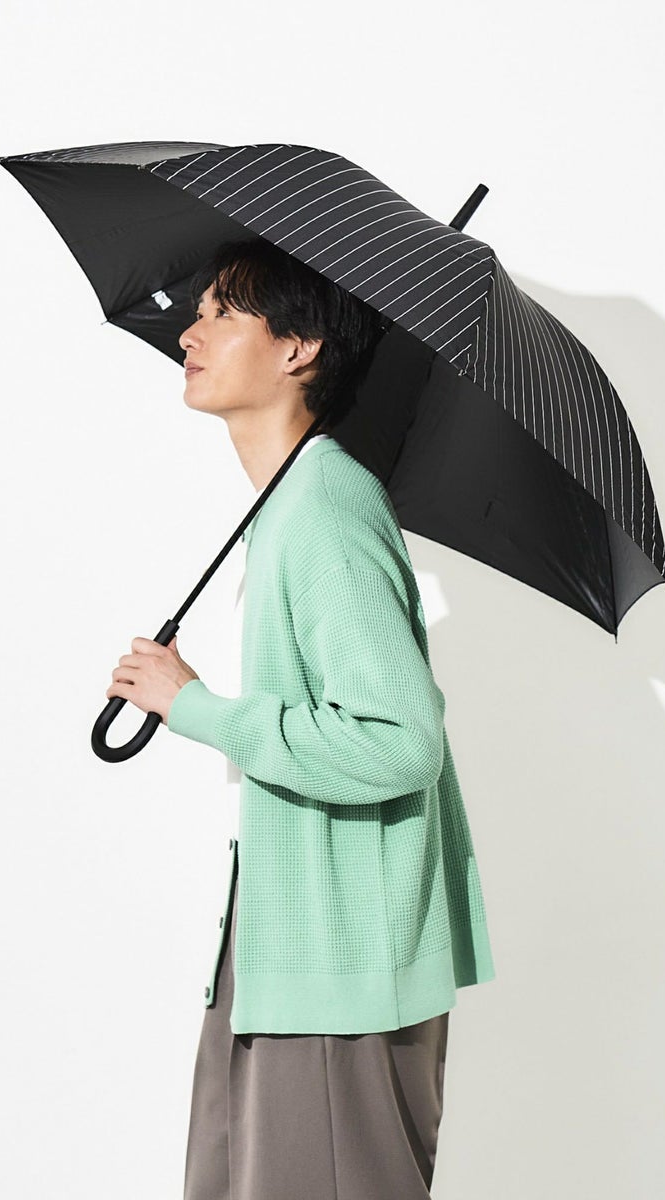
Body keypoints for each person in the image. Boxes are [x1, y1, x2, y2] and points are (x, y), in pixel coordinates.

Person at [104, 237, 494, 1199]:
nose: (189, 333)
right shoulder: (292, 506)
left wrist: (197, 708)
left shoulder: (325, 507)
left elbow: (401, 744)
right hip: (291, 950)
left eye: (222, 313)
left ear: (297, 347)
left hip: (337, 973)